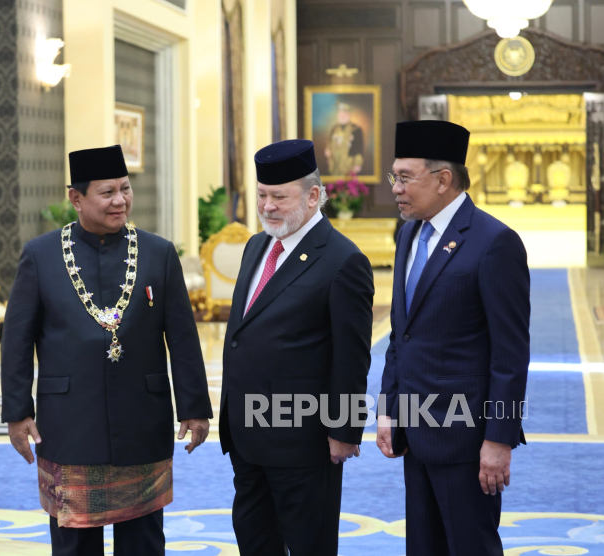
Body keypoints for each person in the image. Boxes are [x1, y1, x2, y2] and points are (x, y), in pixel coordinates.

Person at [1, 145, 213, 556]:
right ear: (76, 198)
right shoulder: (41, 256)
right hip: (69, 424)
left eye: (125, 189)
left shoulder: (158, 252)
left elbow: (183, 338)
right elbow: (17, 340)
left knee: (144, 542)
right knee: (74, 542)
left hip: (141, 419)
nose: (120, 201)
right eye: (107, 192)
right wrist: (17, 412)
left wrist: (194, 407)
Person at [376, 120, 530, 556]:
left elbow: (510, 354)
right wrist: (389, 408)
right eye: (394, 177)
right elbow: (400, 334)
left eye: (405, 177)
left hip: (467, 441)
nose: (396, 188)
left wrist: (499, 440)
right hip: (415, 433)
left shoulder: (494, 242)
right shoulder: (408, 233)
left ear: (444, 179)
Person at [220, 139, 374, 555]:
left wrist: (345, 430)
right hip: (247, 438)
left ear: (312, 196)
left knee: (309, 546)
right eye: (262, 196)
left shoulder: (343, 260)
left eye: (279, 197)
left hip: (303, 443)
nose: (267, 206)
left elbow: (353, 356)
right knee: (255, 543)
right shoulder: (257, 246)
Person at [324, 102, 364, 176]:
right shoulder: (334, 129)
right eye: (340, 113)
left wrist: (357, 164)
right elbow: (329, 145)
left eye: (344, 113)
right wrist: (328, 150)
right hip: (335, 166)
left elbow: (359, 149)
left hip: (349, 166)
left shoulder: (356, 130)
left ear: (349, 114)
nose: (342, 115)